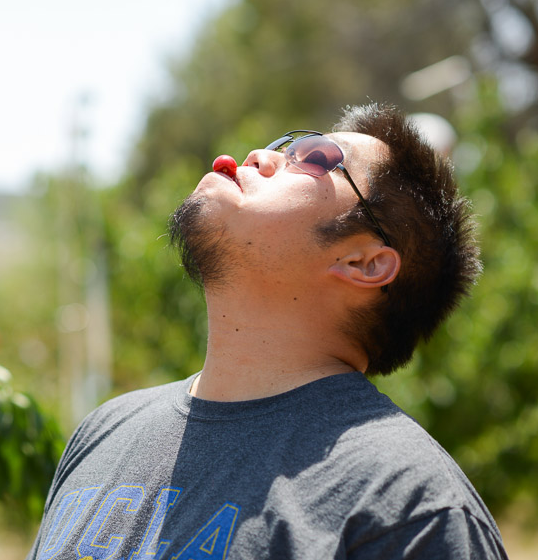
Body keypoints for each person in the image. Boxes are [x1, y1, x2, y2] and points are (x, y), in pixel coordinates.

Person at [26, 103, 508, 559]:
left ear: (363, 262)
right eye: (285, 143)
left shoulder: (410, 507)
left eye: (316, 156)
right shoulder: (103, 433)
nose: (261, 156)